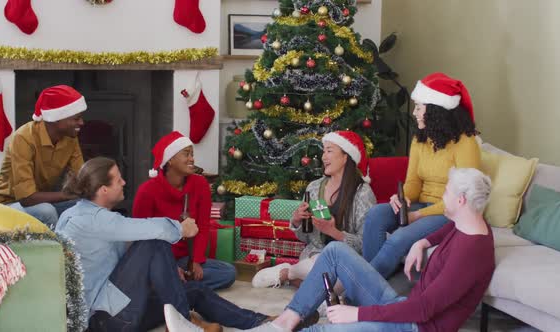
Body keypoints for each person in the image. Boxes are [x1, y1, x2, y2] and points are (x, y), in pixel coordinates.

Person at [163, 167, 494, 332]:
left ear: (462, 201)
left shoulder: (471, 254)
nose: (442, 197)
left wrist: (358, 314)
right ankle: (281, 324)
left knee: (327, 326)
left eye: (448, 192)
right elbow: (450, 228)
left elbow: (423, 311)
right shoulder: (471, 224)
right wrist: (424, 240)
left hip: (412, 327)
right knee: (335, 254)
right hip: (403, 310)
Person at [56, 157, 270, 332]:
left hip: (115, 309)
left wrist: (165, 270)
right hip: (106, 321)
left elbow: (120, 264)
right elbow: (154, 229)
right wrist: (182, 228)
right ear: (103, 189)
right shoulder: (95, 220)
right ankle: (184, 322)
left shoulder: (75, 214)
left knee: (193, 290)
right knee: (154, 241)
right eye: (118, 180)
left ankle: (262, 322)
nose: (124, 183)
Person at [362, 72, 481, 279]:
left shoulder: (465, 142)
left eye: (419, 107)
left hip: (450, 211)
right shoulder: (420, 140)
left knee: (399, 238)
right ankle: (371, 284)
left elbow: (465, 197)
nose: (415, 112)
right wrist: (403, 198)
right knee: (375, 215)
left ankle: (361, 286)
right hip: (422, 205)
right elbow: (414, 182)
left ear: (435, 111)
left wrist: (418, 215)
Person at [252, 131, 376, 289]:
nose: (323, 157)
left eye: (329, 151)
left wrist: (333, 232)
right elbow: (306, 238)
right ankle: (308, 281)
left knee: (336, 281)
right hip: (314, 256)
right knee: (324, 271)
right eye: (323, 151)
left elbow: (367, 245)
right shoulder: (314, 187)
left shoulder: (363, 193)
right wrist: (298, 220)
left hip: (347, 261)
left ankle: (288, 273)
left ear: (346, 157)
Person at [132, 131, 236, 290]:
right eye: (186, 154)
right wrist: (167, 266)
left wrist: (196, 260)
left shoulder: (200, 184)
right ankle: (173, 279)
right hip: (159, 259)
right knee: (154, 273)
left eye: (192, 154)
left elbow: (203, 225)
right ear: (171, 159)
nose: (192, 159)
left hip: (185, 257)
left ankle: (174, 282)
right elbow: (141, 237)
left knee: (228, 272)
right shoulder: (147, 191)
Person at [0, 85, 87, 226]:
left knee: (86, 206)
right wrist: (68, 194)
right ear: (57, 118)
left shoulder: (70, 138)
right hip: (6, 205)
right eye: (76, 118)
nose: (81, 123)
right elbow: (27, 198)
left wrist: (95, 189)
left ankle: (79, 246)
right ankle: (59, 247)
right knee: (46, 211)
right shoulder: (24, 138)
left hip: (39, 202)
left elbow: (81, 178)